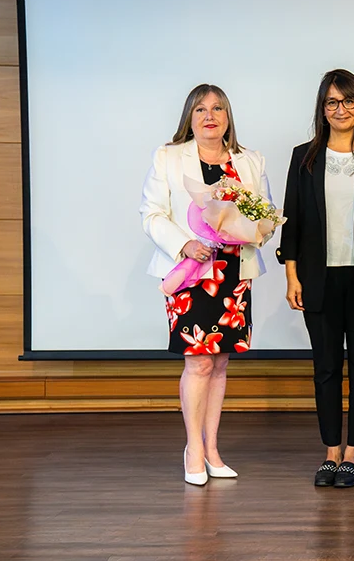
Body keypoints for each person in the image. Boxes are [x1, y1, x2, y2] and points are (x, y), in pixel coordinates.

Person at [140, 84, 275, 486]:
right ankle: (193, 450)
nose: (209, 115)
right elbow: (151, 214)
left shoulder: (250, 160)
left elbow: (265, 216)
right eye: (200, 109)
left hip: (233, 274)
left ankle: (213, 449)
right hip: (191, 272)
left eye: (218, 108)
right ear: (190, 117)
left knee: (219, 363)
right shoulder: (168, 157)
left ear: (228, 117)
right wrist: (184, 244)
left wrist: (252, 230)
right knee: (198, 361)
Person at [277, 69, 354, 488]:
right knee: (325, 368)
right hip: (317, 279)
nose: (340, 109)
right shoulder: (304, 156)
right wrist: (292, 275)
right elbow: (292, 219)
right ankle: (330, 452)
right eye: (332, 102)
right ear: (322, 108)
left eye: (348, 101)